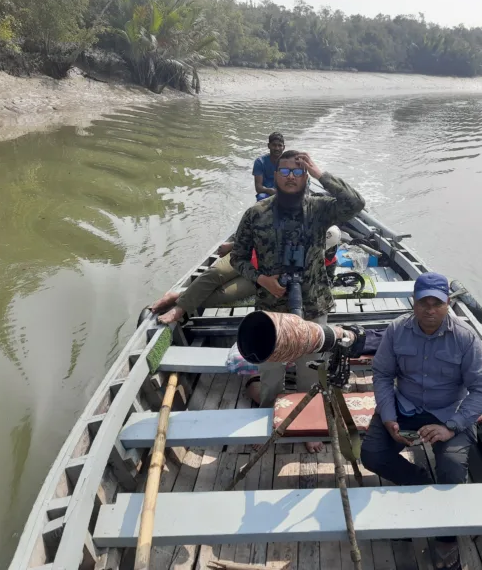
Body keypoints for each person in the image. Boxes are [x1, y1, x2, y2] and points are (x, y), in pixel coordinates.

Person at [230, 150, 365, 452]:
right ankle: (269, 421)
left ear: (305, 176)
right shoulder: (256, 214)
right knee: (271, 374)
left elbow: (355, 203)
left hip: (314, 304)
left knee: (311, 370)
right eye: (285, 171)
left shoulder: (319, 209)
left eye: (298, 171)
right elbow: (237, 257)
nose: (291, 177)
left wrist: (319, 173)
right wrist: (261, 278)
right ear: (274, 175)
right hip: (271, 308)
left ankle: (308, 425)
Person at [360, 272, 482, 570]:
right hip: (405, 406)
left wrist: (451, 427)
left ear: (448, 303)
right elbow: (382, 374)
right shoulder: (397, 330)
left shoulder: (465, 337)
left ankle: (445, 539)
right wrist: (390, 418)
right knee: (371, 454)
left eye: (437, 303)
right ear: (413, 303)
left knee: (452, 469)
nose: (430, 309)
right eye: (424, 303)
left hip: (449, 412)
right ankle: (418, 480)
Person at [150, 225, 343, 326]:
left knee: (222, 295)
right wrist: (232, 246)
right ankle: (180, 309)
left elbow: (323, 286)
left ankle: (177, 296)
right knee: (215, 273)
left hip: (262, 278)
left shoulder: (329, 262)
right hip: (247, 257)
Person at [253, 132, 285, 201]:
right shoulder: (260, 162)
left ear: (284, 147)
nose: (277, 148)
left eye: (280, 145)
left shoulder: (288, 162)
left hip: (284, 191)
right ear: (268, 146)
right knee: (261, 197)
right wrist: (270, 191)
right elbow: (258, 187)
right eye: (274, 145)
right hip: (267, 192)